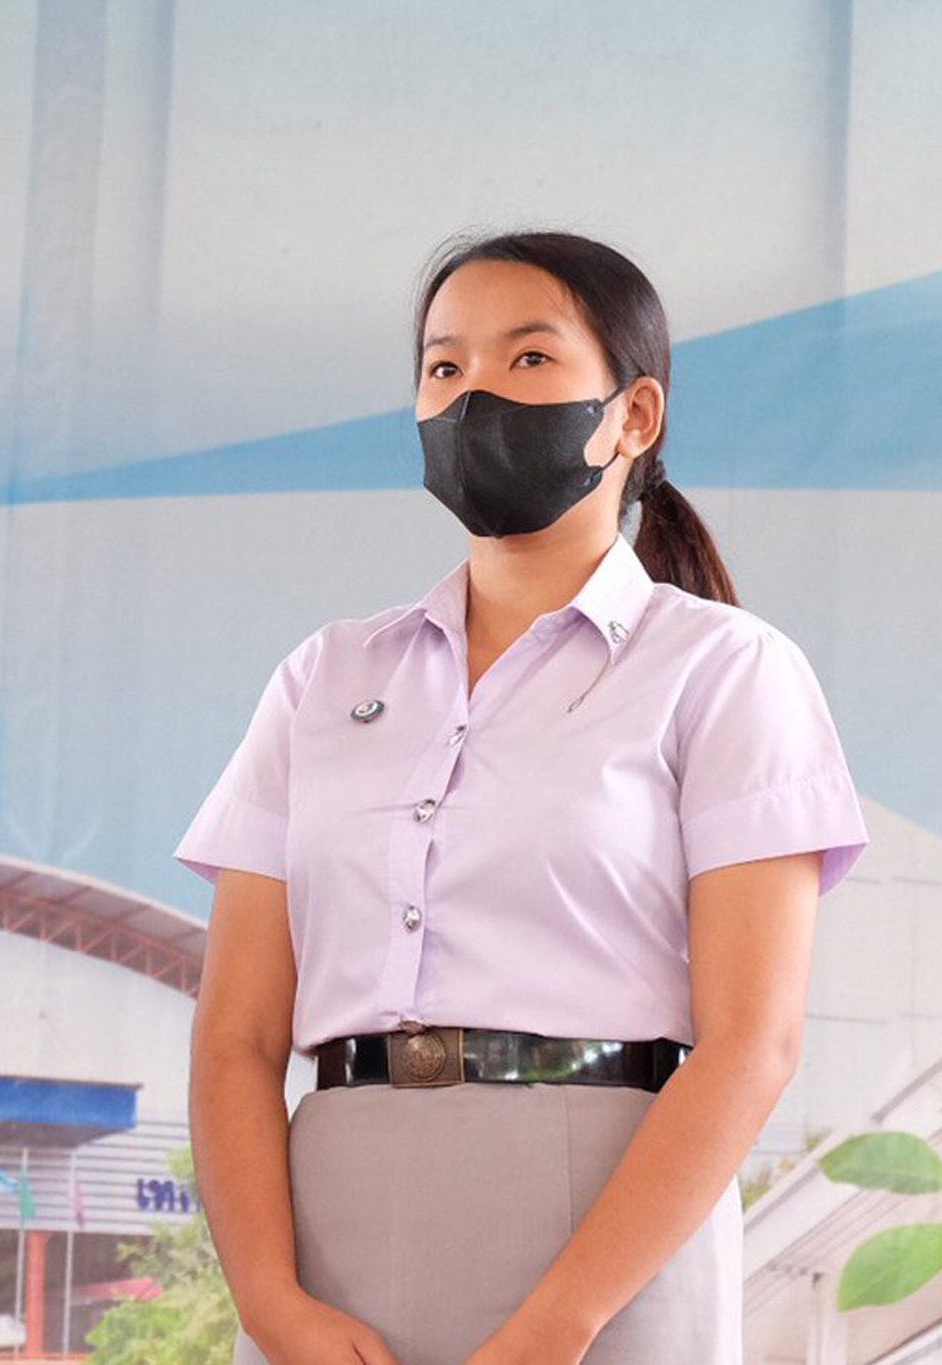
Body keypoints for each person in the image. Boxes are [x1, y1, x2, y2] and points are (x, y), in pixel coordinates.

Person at [177, 231, 869, 1365]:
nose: (473, 395)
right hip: (331, 1212)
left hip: (605, 1222)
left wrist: (562, 1323)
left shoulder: (726, 670)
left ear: (632, 416)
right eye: (443, 369)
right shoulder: (322, 676)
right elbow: (237, 1036)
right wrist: (269, 1304)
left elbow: (755, 1040)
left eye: (528, 361)